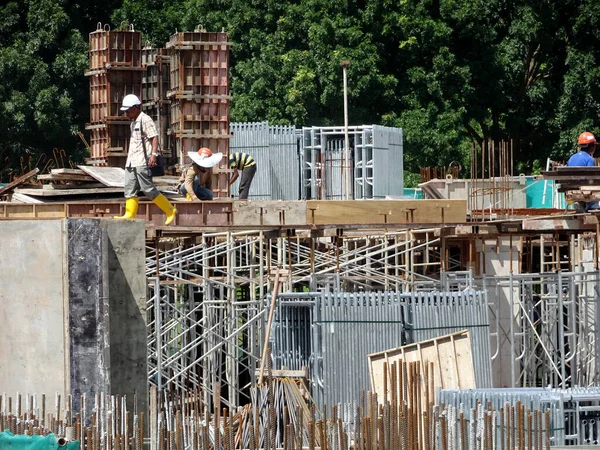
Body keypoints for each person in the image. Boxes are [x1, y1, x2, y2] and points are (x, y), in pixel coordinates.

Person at [113, 94, 177, 225]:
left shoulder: (145, 119)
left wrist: (153, 154)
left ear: (136, 108)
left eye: (128, 110)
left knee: (147, 189)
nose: (126, 113)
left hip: (142, 160)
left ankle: (170, 210)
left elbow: (154, 137)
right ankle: (129, 214)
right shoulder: (133, 123)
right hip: (132, 161)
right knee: (129, 188)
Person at [567, 131, 599, 212]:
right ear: (591, 146)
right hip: (584, 189)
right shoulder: (589, 159)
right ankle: (593, 206)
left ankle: (580, 203)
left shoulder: (572, 157)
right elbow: (591, 178)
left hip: (571, 188)